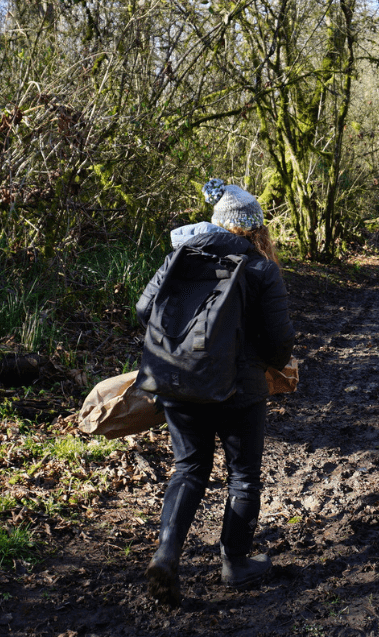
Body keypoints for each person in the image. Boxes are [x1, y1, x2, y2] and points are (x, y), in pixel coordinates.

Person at [140, 178, 295, 606]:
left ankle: (166, 556)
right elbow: (281, 343)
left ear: (216, 222)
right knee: (242, 474)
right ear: (255, 228)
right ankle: (236, 563)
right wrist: (260, 358)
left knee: (188, 469)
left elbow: (142, 309)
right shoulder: (261, 269)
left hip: (176, 380)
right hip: (238, 388)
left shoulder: (179, 256)